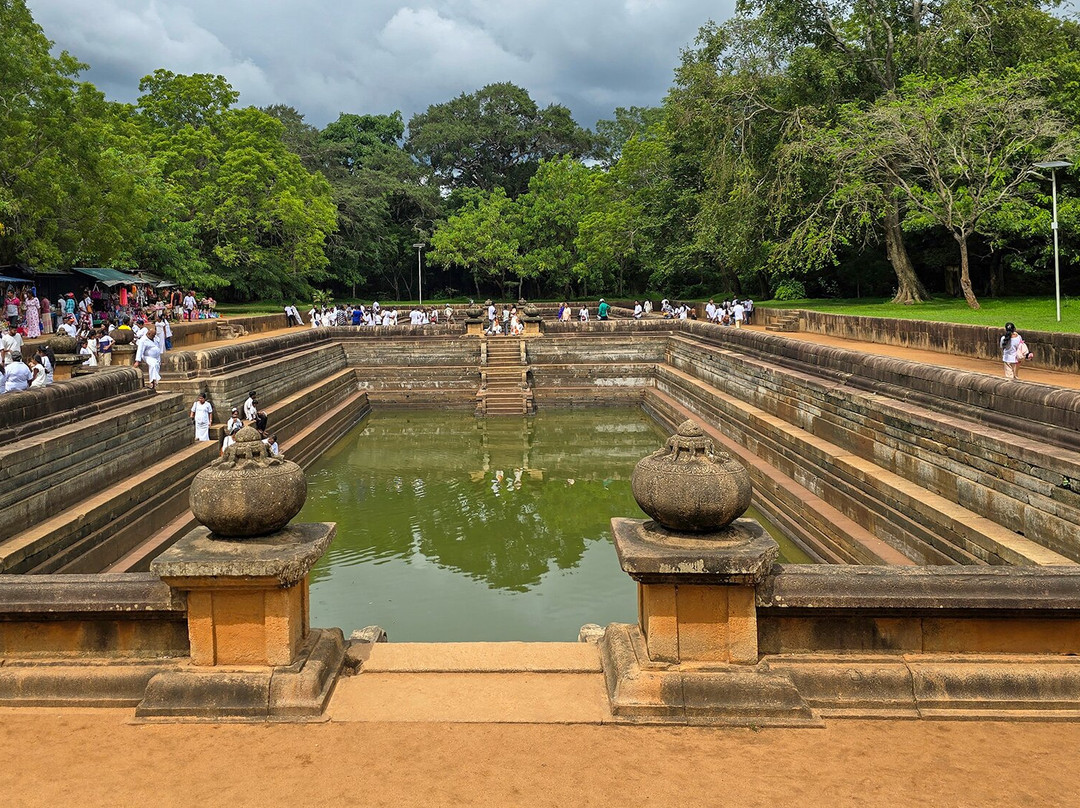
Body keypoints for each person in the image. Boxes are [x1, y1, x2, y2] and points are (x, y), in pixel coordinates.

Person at [134, 323, 162, 390]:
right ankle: (151, 382)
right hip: (147, 356)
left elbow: (157, 344)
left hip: (156, 357)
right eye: (152, 335)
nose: (153, 337)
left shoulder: (155, 338)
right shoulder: (143, 340)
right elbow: (140, 350)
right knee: (153, 365)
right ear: (149, 334)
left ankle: (155, 382)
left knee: (156, 366)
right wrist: (137, 361)